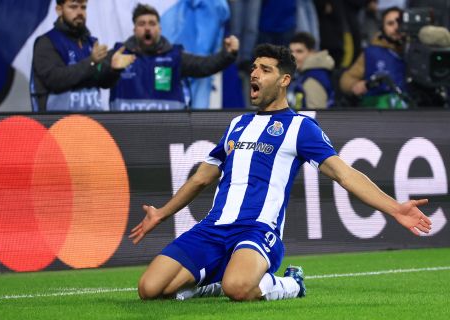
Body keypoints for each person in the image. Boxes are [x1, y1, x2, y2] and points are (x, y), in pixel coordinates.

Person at [130, 43, 432, 301]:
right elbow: (201, 177)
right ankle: (213, 283)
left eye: (265, 69)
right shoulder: (238, 124)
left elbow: (345, 174)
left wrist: (395, 208)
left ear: (284, 79)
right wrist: (161, 214)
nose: (254, 74)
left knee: (238, 287)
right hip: (213, 228)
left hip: (258, 230)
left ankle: (290, 284)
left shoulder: (301, 127)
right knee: (150, 289)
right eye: (253, 68)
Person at [109, 3, 239, 111]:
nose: (147, 28)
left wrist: (227, 54)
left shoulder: (174, 57)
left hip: (169, 132)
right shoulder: (119, 56)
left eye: (152, 23)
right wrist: (110, 69)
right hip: (126, 133)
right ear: (134, 29)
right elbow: (97, 74)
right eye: (142, 24)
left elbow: (204, 66)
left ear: (160, 28)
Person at [30, 0, 135, 112]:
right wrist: (91, 62)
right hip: (59, 124)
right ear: (59, 10)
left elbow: (101, 82)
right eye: (73, 7)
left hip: (91, 123)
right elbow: (55, 80)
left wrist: (113, 70)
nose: (80, 12)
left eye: (83, 7)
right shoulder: (46, 42)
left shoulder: (91, 43)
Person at [339, 6, 407, 109]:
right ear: (382, 28)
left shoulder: (418, 49)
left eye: (399, 22)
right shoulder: (371, 52)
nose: (396, 27)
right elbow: (346, 80)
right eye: (390, 23)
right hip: (379, 111)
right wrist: (356, 85)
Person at [288, 32, 335, 109]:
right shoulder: (306, 74)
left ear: (312, 52)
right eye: (291, 51)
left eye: (299, 51)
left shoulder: (313, 79)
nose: (293, 56)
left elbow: (317, 115)